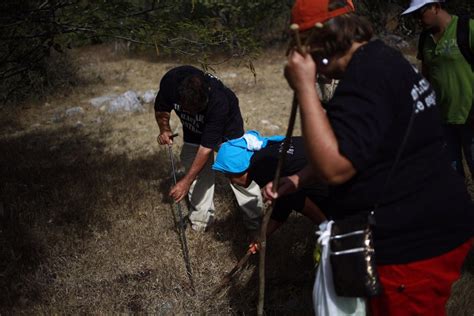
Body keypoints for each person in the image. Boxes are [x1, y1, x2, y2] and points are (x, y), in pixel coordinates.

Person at [263, 0, 474, 314]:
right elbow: (366, 145)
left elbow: (335, 169)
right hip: (439, 220)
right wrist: (299, 178)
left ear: (319, 42)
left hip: (411, 243)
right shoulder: (383, 58)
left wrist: (306, 87)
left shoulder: (362, 82)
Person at [154, 65, 263, 232]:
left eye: (197, 110)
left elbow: (206, 148)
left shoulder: (219, 101)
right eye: (188, 110)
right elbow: (162, 109)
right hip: (193, 132)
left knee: (237, 169)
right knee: (196, 170)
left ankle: (256, 221)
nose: (191, 112)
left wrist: (185, 181)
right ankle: (200, 221)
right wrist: (164, 129)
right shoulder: (171, 82)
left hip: (227, 130)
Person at [402, 0, 474, 178]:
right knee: (450, 176)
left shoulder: (467, 28)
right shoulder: (425, 39)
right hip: (443, 121)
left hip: (470, 118)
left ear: (435, 7)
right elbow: (426, 77)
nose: (417, 19)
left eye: (420, 13)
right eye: (414, 15)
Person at [212, 131, 327, 237]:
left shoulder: (265, 168)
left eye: (230, 176)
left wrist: (326, 228)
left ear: (238, 166)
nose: (232, 181)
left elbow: (298, 202)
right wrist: (262, 236)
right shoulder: (265, 155)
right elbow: (284, 204)